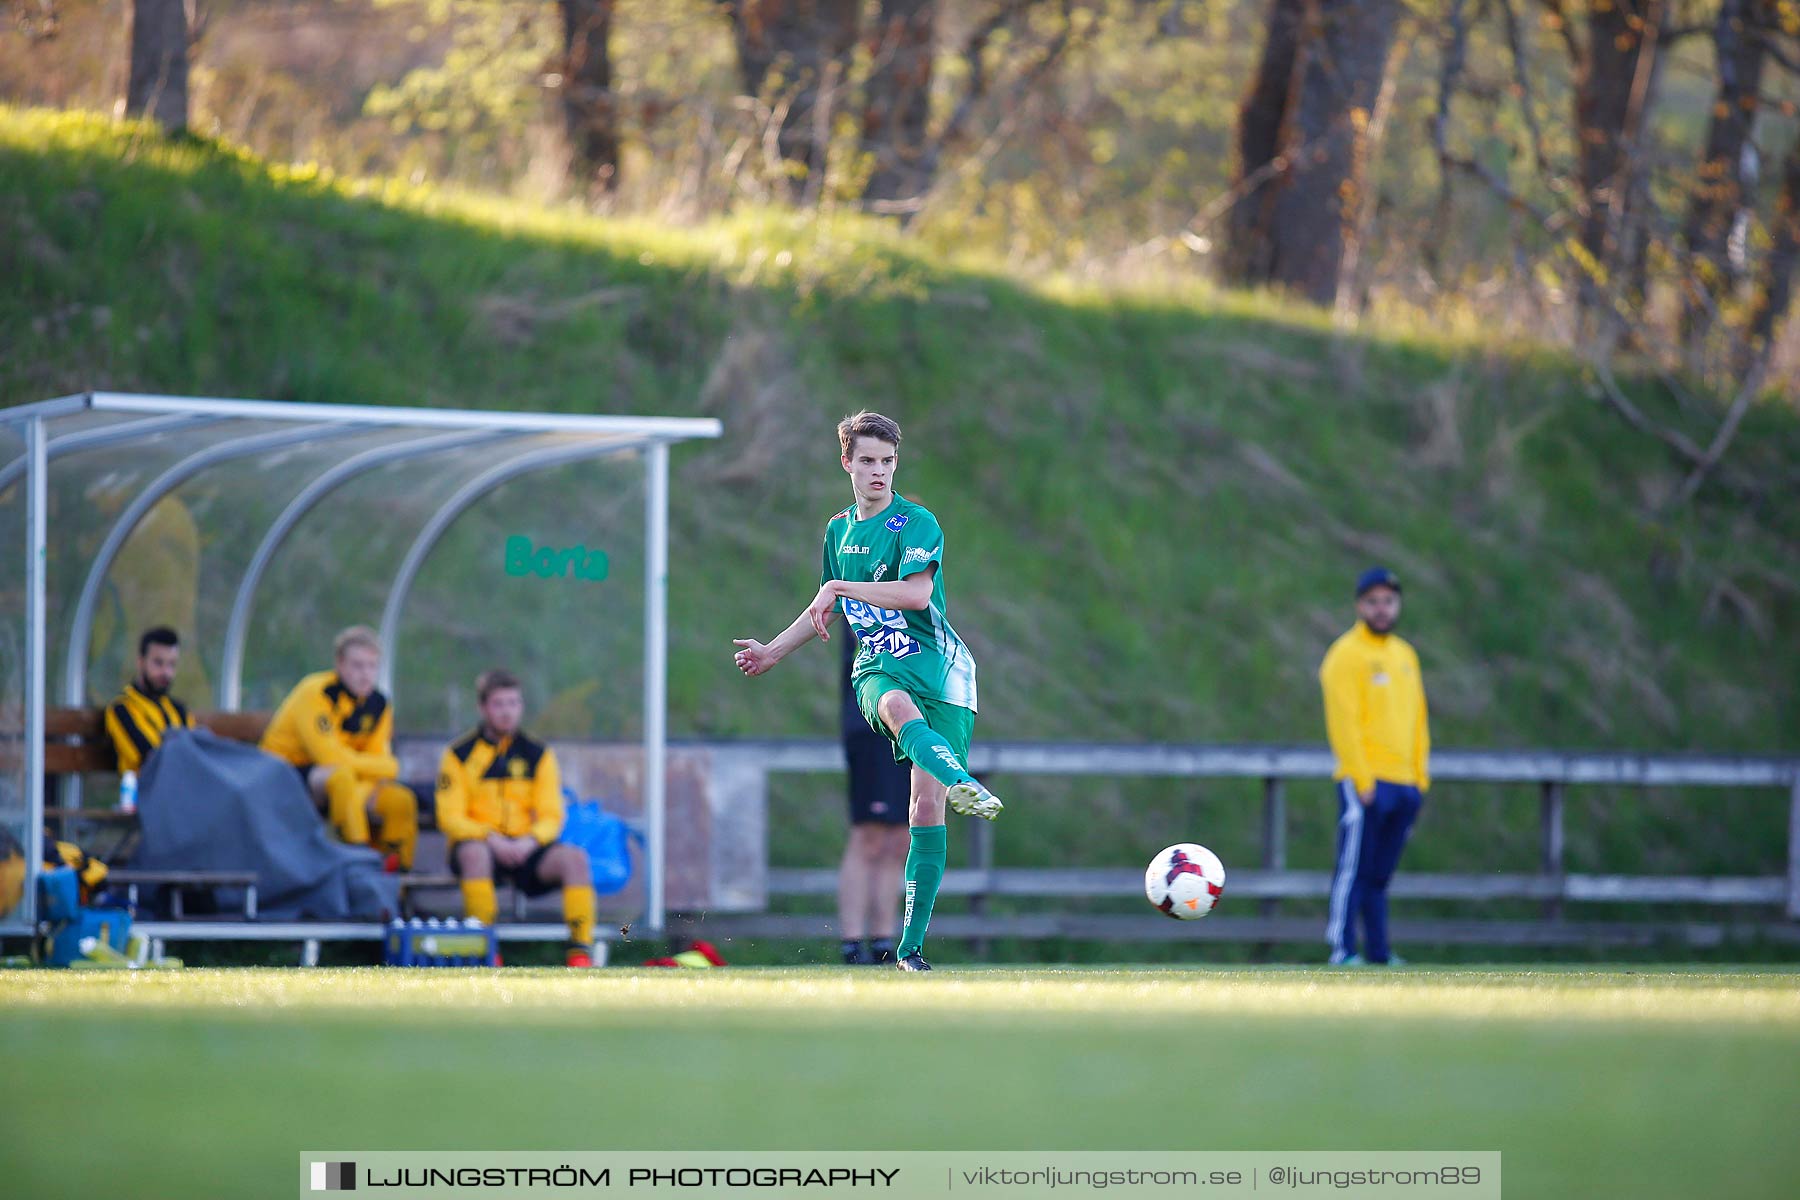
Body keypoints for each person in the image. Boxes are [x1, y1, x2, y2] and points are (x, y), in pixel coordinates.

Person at [734, 410, 1001, 973]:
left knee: (923, 811)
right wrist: (773, 651)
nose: (879, 472)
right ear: (846, 464)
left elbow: (916, 597)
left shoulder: (918, 522)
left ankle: (910, 951)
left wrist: (836, 585)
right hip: (880, 666)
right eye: (867, 461)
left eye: (887, 461)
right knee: (892, 703)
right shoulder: (839, 531)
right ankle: (962, 780)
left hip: (943, 673)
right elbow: (822, 611)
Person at [435, 669, 596, 969]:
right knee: (474, 852)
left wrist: (530, 840)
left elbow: (551, 814)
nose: (507, 712)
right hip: (482, 846)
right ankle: (484, 949)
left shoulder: (538, 754)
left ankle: (580, 952)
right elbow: (449, 817)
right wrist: (491, 838)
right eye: (499, 704)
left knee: (575, 859)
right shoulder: (459, 754)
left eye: (513, 703)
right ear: (483, 708)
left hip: (526, 848)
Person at [1320, 567, 1431, 966]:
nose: (1381, 609)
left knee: (1380, 877)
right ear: (1359, 605)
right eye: (1373, 602)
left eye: (1388, 601)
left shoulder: (1404, 655)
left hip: (1405, 783)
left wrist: (1420, 776)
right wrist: (1361, 776)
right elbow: (1343, 722)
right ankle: (1343, 948)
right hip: (1366, 781)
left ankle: (1380, 953)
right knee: (1353, 871)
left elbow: (1418, 718)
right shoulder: (1345, 656)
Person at [260, 626, 418, 872]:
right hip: (281, 774)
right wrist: (386, 766)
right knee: (341, 778)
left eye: (372, 666)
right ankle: (357, 863)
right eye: (357, 666)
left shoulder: (378, 704)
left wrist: (381, 770)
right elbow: (329, 757)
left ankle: (395, 878)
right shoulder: (315, 692)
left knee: (400, 801)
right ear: (340, 665)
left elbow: (381, 765)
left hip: (344, 776)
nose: (365, 675)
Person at [836, 631, 911, 965]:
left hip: (913, 717)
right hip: (873, 718)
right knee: (869, 833)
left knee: (899, 836)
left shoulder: (921, 581)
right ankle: (851, 942)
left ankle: (883, 941)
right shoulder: (866, 581)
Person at [103, 626, 196, 774]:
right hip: (144, 794)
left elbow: (195, 755)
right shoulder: (122, 710)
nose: (166, 673)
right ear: (141, 662)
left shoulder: (179, 711)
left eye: (172, 664)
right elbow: (149, 760)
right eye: (158, 663)